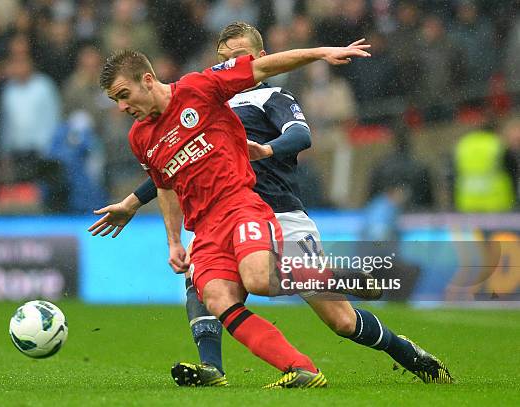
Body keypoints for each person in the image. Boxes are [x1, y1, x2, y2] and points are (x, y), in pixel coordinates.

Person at [91, 29, 452, 388]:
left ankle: (371, 312)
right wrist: (148, 217)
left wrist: (319, 54)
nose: (229, 64)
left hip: (271, 210)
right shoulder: (168, 122)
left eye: (239, 56)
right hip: (210, 224)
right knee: (210, 291)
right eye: (222, 59)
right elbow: (167, 178)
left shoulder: (261, 96)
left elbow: (301, 135)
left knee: (336, 318)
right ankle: (237, 367)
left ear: (258, 54)